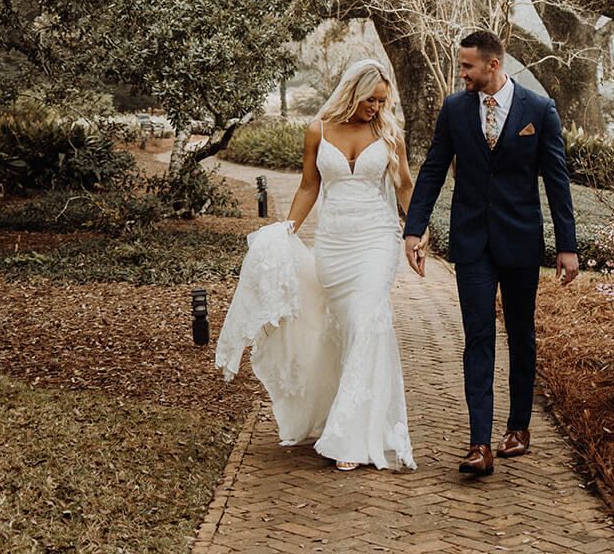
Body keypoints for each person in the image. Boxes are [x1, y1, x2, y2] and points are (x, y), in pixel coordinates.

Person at [216, 58, 417, 473]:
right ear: (352, 92)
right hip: (334, 245)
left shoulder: (389, 133)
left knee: (367, 321)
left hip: (377, 240)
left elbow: (404, 186)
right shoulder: (318, 131)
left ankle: (354, 436)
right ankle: (342, 411)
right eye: (370, 100)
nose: (376, 109)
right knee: (345, 328)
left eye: (382, 102)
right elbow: (310, 185)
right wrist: (288, 228)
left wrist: (416, 232)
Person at [402, 29, 579, 477]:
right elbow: (433, 169)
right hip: (472, 243)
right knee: (478, 337)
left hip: (520, 241)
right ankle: (479, 443)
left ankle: (518, 428)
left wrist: (567, 245)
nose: (461, 73)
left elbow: (556, 181)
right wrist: (414, 229)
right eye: (461, 66)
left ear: (492, 65)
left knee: (520, 336)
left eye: (467, 66)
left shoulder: (538, 110)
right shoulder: (455, 109)